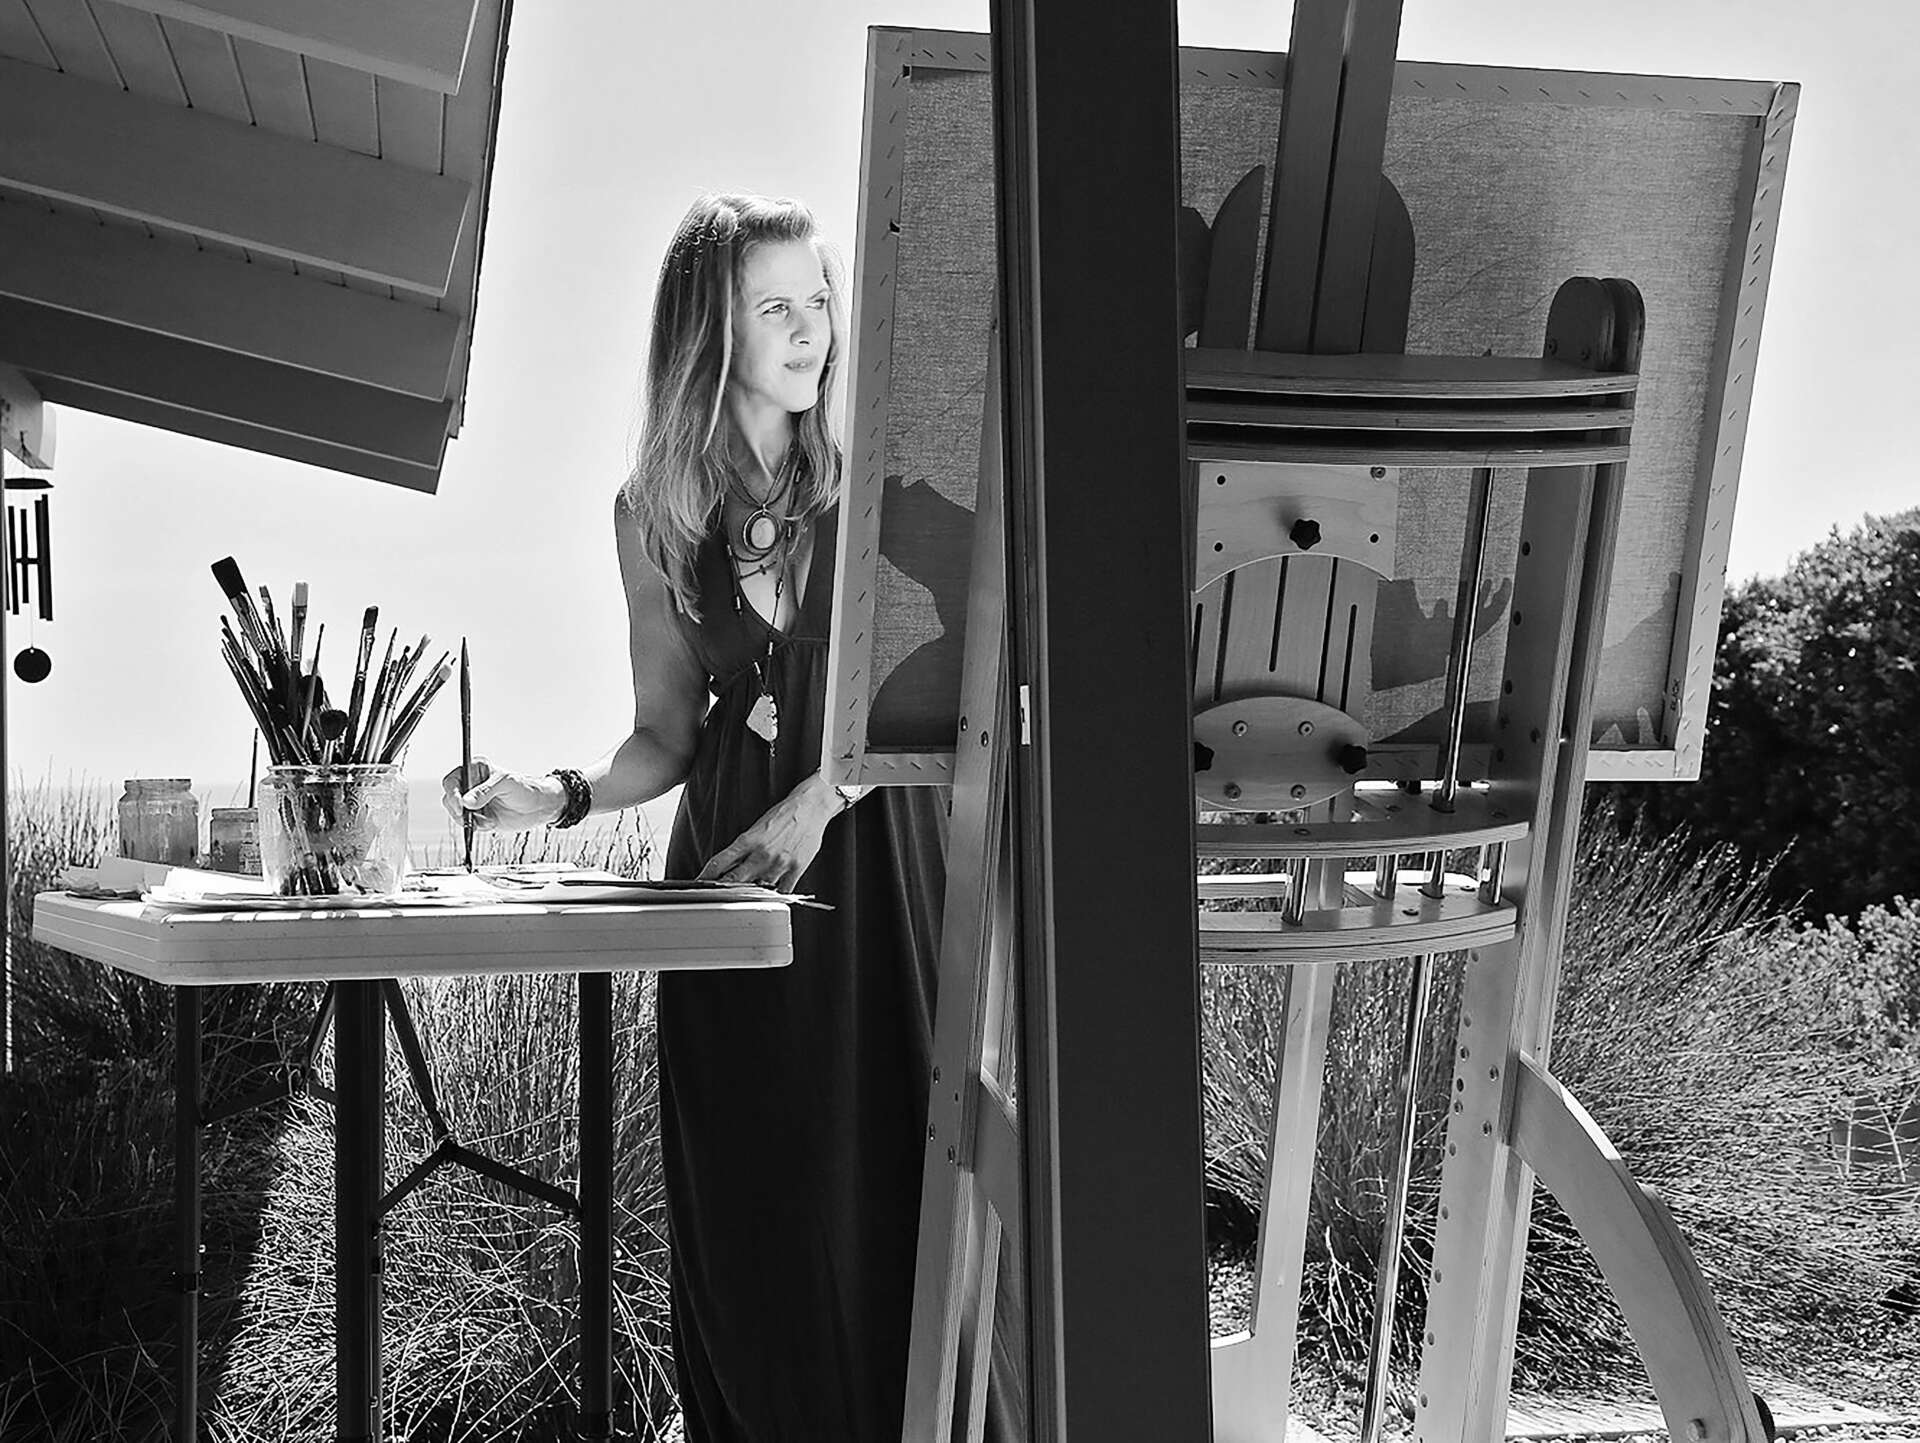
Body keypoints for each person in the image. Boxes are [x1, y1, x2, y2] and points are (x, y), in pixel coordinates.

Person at [441, 193, 1017, 1442]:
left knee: (897, 1171)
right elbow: (667, 732)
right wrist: (558, 796)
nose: (811, 331)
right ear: (711, 331)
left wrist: (827, 793)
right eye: (776, 307)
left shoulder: (880, 474)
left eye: (819, 302)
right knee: (759, 1195)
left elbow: (973, 673)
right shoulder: (650, 512)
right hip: (731, 885)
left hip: (887, 864)